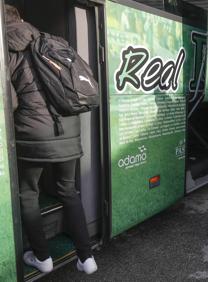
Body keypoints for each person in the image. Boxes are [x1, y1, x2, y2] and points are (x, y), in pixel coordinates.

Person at [5, 5, 97, 274]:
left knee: (28, 193)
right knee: (68, 190)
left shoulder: (5, 50)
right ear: (21, 19)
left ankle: (42, 258)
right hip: (69, 129)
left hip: (33, 135)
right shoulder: (51, 41)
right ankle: (86, 257)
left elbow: (9, 103)